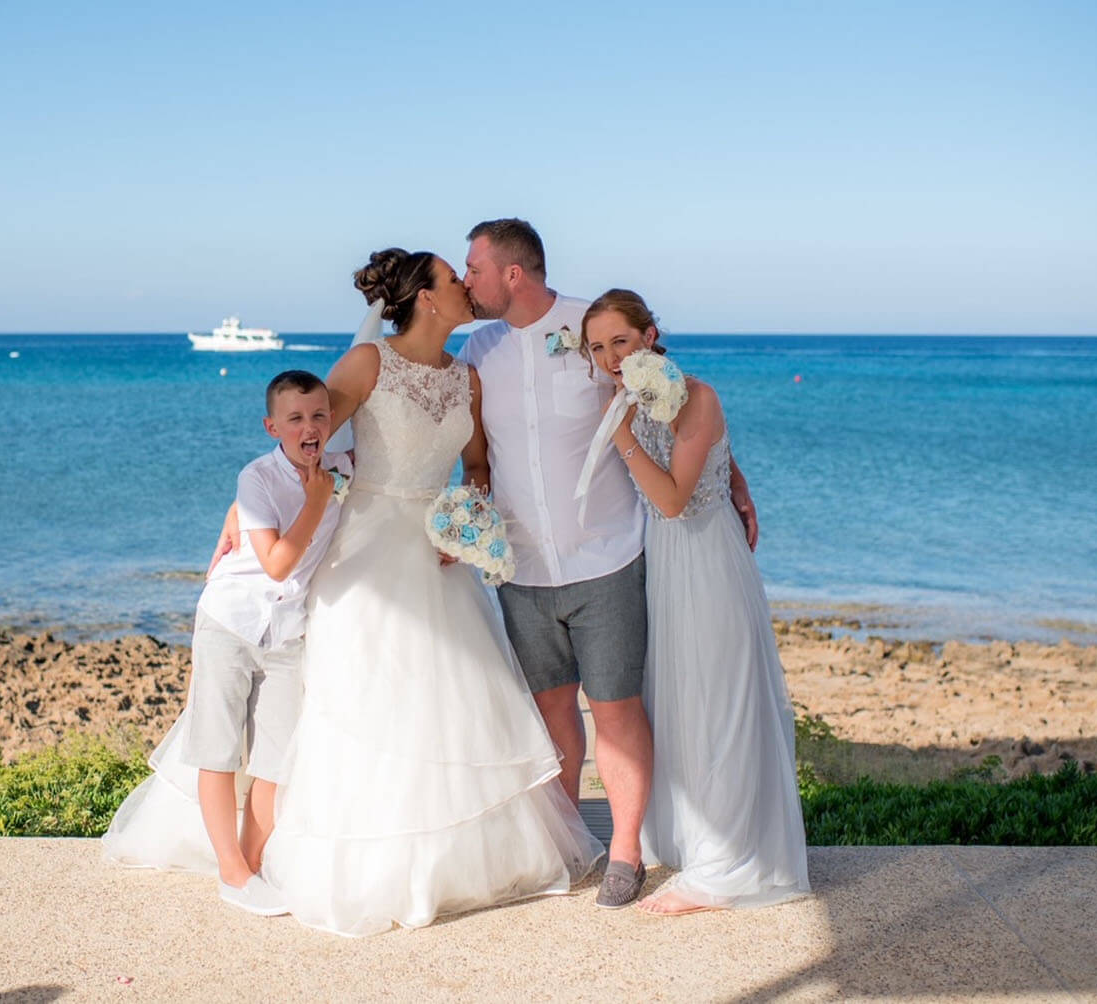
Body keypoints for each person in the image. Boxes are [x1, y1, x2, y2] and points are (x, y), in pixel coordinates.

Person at [255, 248, 604, 936]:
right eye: (454, 280)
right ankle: (376, 867)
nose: (466, 288)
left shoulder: (468, 377)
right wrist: (253, 515)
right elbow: (307, 440)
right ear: (424, 299)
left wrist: (466, 520)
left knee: (453, 697)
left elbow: (476, 467)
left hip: (441, 552)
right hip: (368, 553)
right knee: (374, 697)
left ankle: (461, 861)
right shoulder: (367, 364)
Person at [457, 219, 758, 907]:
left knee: (617, 710)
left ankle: (625, 851)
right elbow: (476, 459)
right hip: (522, 570)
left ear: (513, 272)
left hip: (609, 558)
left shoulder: (593, 328)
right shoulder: (478, 350)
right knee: (551, 713)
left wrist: (730, 472)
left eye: (474, 266)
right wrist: (465, 524)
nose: (466, 278)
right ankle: (567, 849)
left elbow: (674, 401)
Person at [581, 289, 809, 914]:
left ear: (650, 336)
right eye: (596, 347)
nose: (608, 357)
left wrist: (622, 435)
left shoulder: (697, 397)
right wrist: (736, 475)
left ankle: (724, 865)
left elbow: (675, 499)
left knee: (720, 702)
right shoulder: (628, 398)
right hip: (663, 564)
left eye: (620, 342)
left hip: (706, 561)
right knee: (678, 699)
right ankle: (693, 837)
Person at [102, 370, 352, 916]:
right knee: (216, 750)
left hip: (287, 632)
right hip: (231, 622)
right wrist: (316, 500)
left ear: (333, 420)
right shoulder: (258, 479)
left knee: (275, 760)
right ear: (272, 427)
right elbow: (278, 563)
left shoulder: (343, 468)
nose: (309, 427)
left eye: (318, 416)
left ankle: (250, 865)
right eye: (295, 419)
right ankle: (231, 874)